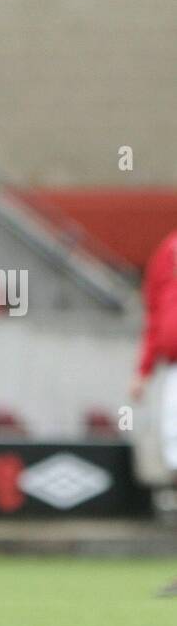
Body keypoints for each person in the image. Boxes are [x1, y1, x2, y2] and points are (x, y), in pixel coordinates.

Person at [130, 226, 177, 596]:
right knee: (175, 463)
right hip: (173, 371)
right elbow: (155, 313)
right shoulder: (168, 249)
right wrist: (143, 370)